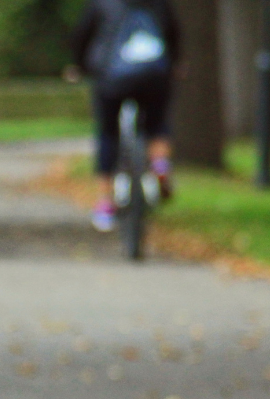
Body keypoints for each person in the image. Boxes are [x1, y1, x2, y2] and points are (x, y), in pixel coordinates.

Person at [70, 0, 180, 232]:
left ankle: (106, 202)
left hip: (111, 78)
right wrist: (176, 64)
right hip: (155, 76)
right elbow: (173, 33)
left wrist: (78, 65)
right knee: (157, 124)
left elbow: (82, 35)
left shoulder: (101, 3)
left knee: (108, 133)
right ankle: (160, 165)